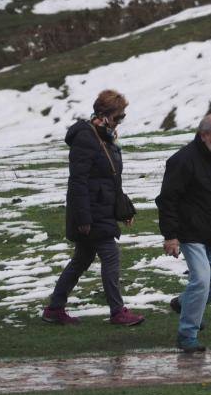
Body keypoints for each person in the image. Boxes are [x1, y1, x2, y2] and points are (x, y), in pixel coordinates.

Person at [42, 89, 145, 327]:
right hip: (91, 212)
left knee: (82, 259)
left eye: (122, 117)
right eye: (118, 116)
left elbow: (110, 177)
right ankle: (118, 312)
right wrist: (84, 219)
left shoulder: (105, 137)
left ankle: (55, 308)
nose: (120, 121)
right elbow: (78, 181)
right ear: (103, 114)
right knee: (110, 256)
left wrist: (124, 209)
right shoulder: (86, 138)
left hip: (101, 209)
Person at [156, 113, 211, 352]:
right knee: (201, 279)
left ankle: (184, 303)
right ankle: (187, 335)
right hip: (190, 232)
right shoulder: (182, 161)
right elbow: (167, 200)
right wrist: (170, 235)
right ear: (203, 135)